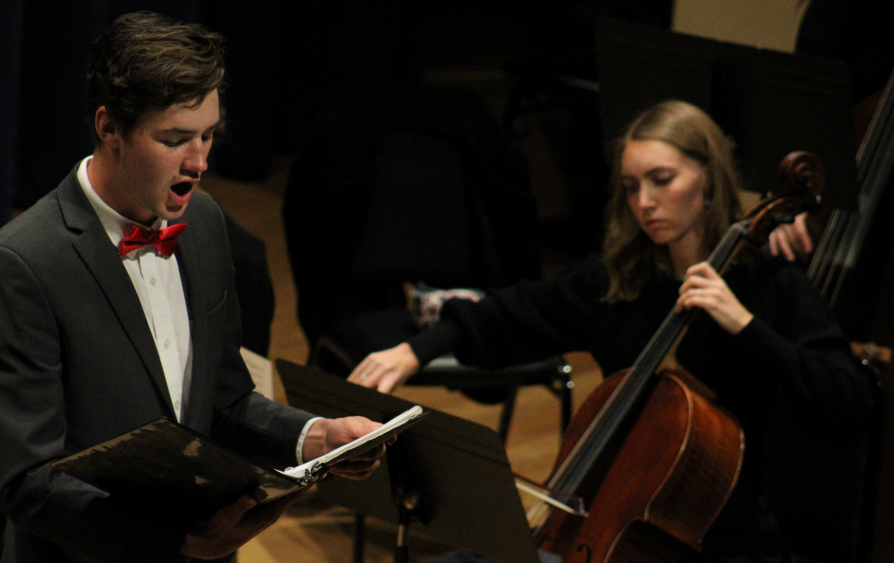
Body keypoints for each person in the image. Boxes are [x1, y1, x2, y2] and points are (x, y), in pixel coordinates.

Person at [349, 100, 872, 562]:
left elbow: (846, 398)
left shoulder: (771, 286)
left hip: (726, 540)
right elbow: (512, 311)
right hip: (604, 526)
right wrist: (414, 352)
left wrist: (744, 324)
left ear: (708, 178)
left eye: (661, 180)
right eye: (631, 186)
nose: (644, 201)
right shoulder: (623, 278)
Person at [0, 12, 387, 563]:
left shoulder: (209, 227)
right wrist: (176, 542)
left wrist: (314, 436)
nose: (200, 162)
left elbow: (226, 400)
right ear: (109, 128)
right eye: (174, 140)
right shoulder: (23, 264)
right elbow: (30, 482)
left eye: (208, 135)